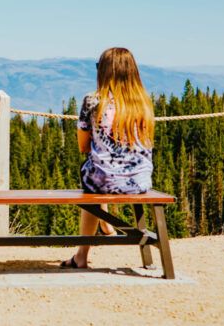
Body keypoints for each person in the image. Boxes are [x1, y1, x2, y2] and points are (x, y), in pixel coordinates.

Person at [61, 47, 155, 269]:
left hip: (103, 180)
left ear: (104, 72)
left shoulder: (93, 101)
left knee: (93, 174)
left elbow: (83, 146)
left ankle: (82, 255)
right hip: (140, 182)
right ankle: (106, 225)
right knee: (99, 170)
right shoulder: (144, 103)